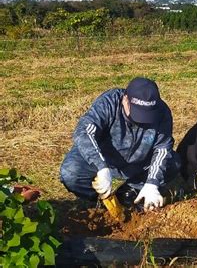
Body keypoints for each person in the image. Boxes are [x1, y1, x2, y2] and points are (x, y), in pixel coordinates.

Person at [60, 77, 181, 212]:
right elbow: (84, 132)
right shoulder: (109, 103)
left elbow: (163, 148)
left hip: (138, 161)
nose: (142, 121)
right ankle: (101, 200)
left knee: (173, 163)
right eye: (138, 113)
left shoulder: (162, 112)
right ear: (125, 100)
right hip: (104, 157)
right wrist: (101, 167)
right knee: (70, 172)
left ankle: (127, 194)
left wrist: (152, 183)